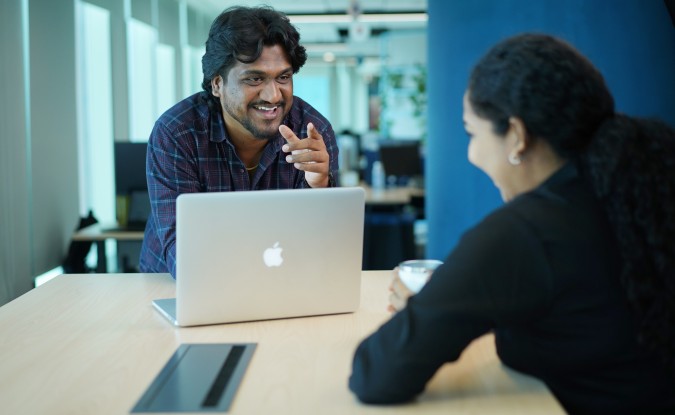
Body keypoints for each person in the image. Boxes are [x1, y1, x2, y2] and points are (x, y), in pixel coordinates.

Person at [349, 33, 675, 415]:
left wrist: (431, 309)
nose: (471, 154)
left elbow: (376, 374)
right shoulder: (640, 193)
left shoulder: (525, 232)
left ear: (517, 136)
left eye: (472, 133)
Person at [139, 6, 339, 278]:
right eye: (254, 79)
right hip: (170, 285)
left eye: (283, 77)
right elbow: (182, 249)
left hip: (277, 282)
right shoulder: (177, 133)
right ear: (217, 84)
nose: (273, 96)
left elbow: (325, 250)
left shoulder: (312, 133)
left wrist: (321, 188)